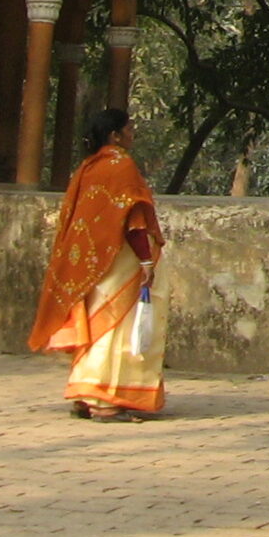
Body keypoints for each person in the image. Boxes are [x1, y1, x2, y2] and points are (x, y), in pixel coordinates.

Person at [29, 108, 165, 420]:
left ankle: (84, 393)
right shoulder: (121, 166)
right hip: (118, 263)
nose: (133, 133)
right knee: (115, 329)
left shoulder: (88, 168)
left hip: (92, 264)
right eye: (128, 128)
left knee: (95, 323)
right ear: (115, 135)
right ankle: (105, 400)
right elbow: (133, 217)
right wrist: (146, 260)